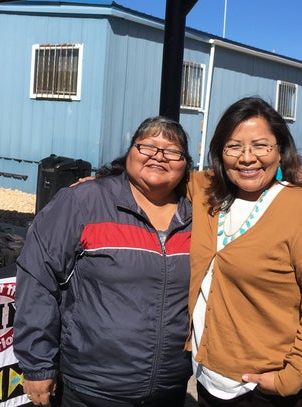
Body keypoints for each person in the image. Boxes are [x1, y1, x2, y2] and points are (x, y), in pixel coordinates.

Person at [14, 116, 194, 407]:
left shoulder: (198, 217)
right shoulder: (84, 201)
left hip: (169, 389)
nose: (159, 156)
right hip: (92, 389)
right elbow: (38, 277)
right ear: (130, 154)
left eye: (173, 151)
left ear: (186, 164)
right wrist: (37, 364)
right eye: (147, 146)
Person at [187, 97, 302, 406]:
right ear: (220, 152)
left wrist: (290, 376)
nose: (247, 158)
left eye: (260, 146)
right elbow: (155, 174)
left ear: (280, 149)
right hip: (211, 383)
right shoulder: (206, 190)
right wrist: (95, 186)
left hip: (269, 392)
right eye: (234, 147)